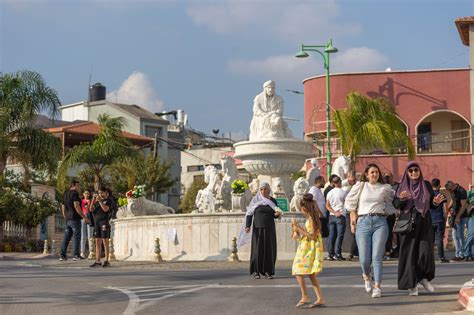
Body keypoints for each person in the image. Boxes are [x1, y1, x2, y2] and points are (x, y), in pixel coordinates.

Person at [393, 162, 445, 296]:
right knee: (409, 254)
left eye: (416, 170)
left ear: (420, 171)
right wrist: (402, 199)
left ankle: (422, 277)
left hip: (424, 221)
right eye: (411, 171)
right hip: (408, 222)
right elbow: (396, 204)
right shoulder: (402, 186)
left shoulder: (426, 184)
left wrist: (436, 202)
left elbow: (432, 204)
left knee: (426, 252)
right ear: (407, 173)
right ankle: (412, 285)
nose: (414, 173)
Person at [345, 163, 395, 298]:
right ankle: (367, 276)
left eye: (376, 172)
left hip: (380, 222)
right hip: (363, 223)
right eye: (372, 172)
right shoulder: (361, 186)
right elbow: (350, 203)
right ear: (366, 174)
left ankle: (377, 287)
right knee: (364, 259)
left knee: (377, 257)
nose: (374, 174)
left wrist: (390, 208)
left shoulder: (385, 188)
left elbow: (392, 203)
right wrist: (352, 218)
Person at [292, 193, 325, 308]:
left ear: (304, 208)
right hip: (306, 246)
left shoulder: (312, 218)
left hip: (310, 248)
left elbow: (313, 236)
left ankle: (305, 296)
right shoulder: (311, 218)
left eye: (301, 209)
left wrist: (299, 229)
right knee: (310, 274)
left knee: (297, 270)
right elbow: (303, 236)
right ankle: (319, 298)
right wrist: (296, 230)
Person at [244, 182, 282, 279]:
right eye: (261, 189)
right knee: (257, 250)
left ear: (269, 190)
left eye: (265, 189)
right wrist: (247, 226)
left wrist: (277, 215)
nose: (263, 191)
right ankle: (256, 271)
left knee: (269, 250)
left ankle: (268, 271)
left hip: (269, 229)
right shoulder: (255, 200)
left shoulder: (273, 201)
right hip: (258, 229)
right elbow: (249, 213)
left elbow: (276, 213)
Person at [60, 180, 89, 261]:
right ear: (74, 185)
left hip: (68, 219)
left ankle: (62, 255)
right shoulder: (74, 193)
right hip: (75, 219)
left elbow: (63, 206)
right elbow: (76, 206)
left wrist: (65, 216)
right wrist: (84, 217)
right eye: (78, 186)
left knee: (66, 237)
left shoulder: (65, 193)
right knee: (77, 237)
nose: (79, 188)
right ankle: (76, 255)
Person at [89, 187, 113, 268]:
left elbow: (105, 209)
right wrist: (93, 199)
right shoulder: (96, 202)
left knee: (105, 241)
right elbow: (91, 209)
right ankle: (97, 260)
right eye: (99, 193)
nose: (100, 194)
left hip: (104, 223)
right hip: (96, 223)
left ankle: (106, 260)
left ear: (105, 193)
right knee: (97, 241)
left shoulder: (108, 201)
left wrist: (100, 201)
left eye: (102, 192)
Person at [445, 181, 468, 261]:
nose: (450, 191)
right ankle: (457, 254)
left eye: (450, 189)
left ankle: (463, 255)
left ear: (453, 185)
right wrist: (447, 208)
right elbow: (452, 200)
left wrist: (458, 216)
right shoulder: (452, 191)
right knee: (455, 235)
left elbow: (464, 206)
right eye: (449, 191)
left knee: (460, 235)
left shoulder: (462, 191)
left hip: (462, 216)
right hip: (454, 216)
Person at [325, 176, 347, 261]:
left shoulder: (329, 193)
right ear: (340, 182)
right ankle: (338, 253)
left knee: (331, 235)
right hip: (341, 215)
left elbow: (327, 205)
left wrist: (334, 212)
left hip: (332, 216)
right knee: (339, 235)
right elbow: (347, 203)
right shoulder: (343, 192)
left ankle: (330, 254)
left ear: (333, 183)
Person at [430, 179, 449, 263]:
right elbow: (445, 210)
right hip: (439, 219)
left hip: (430, 219)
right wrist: (445, 219)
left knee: (430, 239)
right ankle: (441, 257)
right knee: (439, 239)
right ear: (439, 185)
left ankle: (429, 257)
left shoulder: (429, 195)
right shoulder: (442, 196)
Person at [382, 172, 399, 260]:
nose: (387, 179)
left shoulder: (392, 189)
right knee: (385, 234)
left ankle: (387, 252)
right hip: (383, 214)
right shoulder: (390, 190)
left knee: (388, 234)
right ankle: (385, 252)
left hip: (389, 214)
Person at [80, 190, 93, 258]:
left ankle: (91, 252)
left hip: (90, 218)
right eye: (85, 193)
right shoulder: (81, 201)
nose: (86, 194)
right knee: (83, 236)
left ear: (89, 194)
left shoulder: (91, 201)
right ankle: (82, 252)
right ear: (83, 194)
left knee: (90, 236)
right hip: (83, 218)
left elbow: (92, 209)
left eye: (88, 193)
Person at [465, 185, 474, 261]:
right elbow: (464, 203)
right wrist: (470, 207)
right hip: (471, 217)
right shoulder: (470, 193)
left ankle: (472, 254)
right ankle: (466, 253)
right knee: (471, 235)